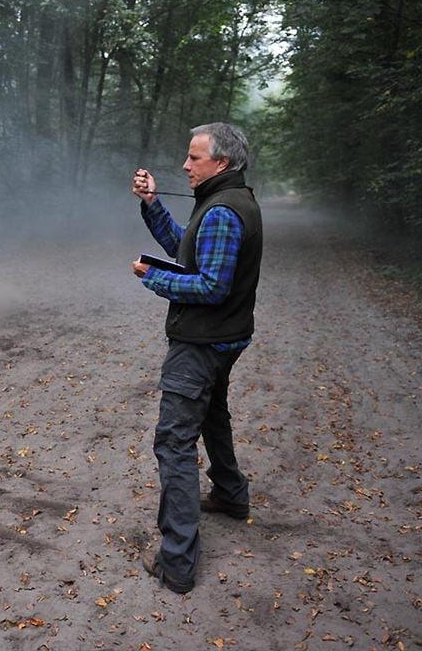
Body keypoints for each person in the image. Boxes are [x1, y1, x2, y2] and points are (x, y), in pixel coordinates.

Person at [130, 122, 262, 594]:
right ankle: (230, 496)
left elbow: (209, 286)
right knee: (212, 416)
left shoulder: (224, 211)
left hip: (203, 344)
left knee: (173, 443)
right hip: (224, 339)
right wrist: (152, 205)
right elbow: (189, 250)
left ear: (220, 163)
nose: (184, 165)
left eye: (194, 158)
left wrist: (152, 279)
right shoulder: (224, 201)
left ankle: (178, 564)